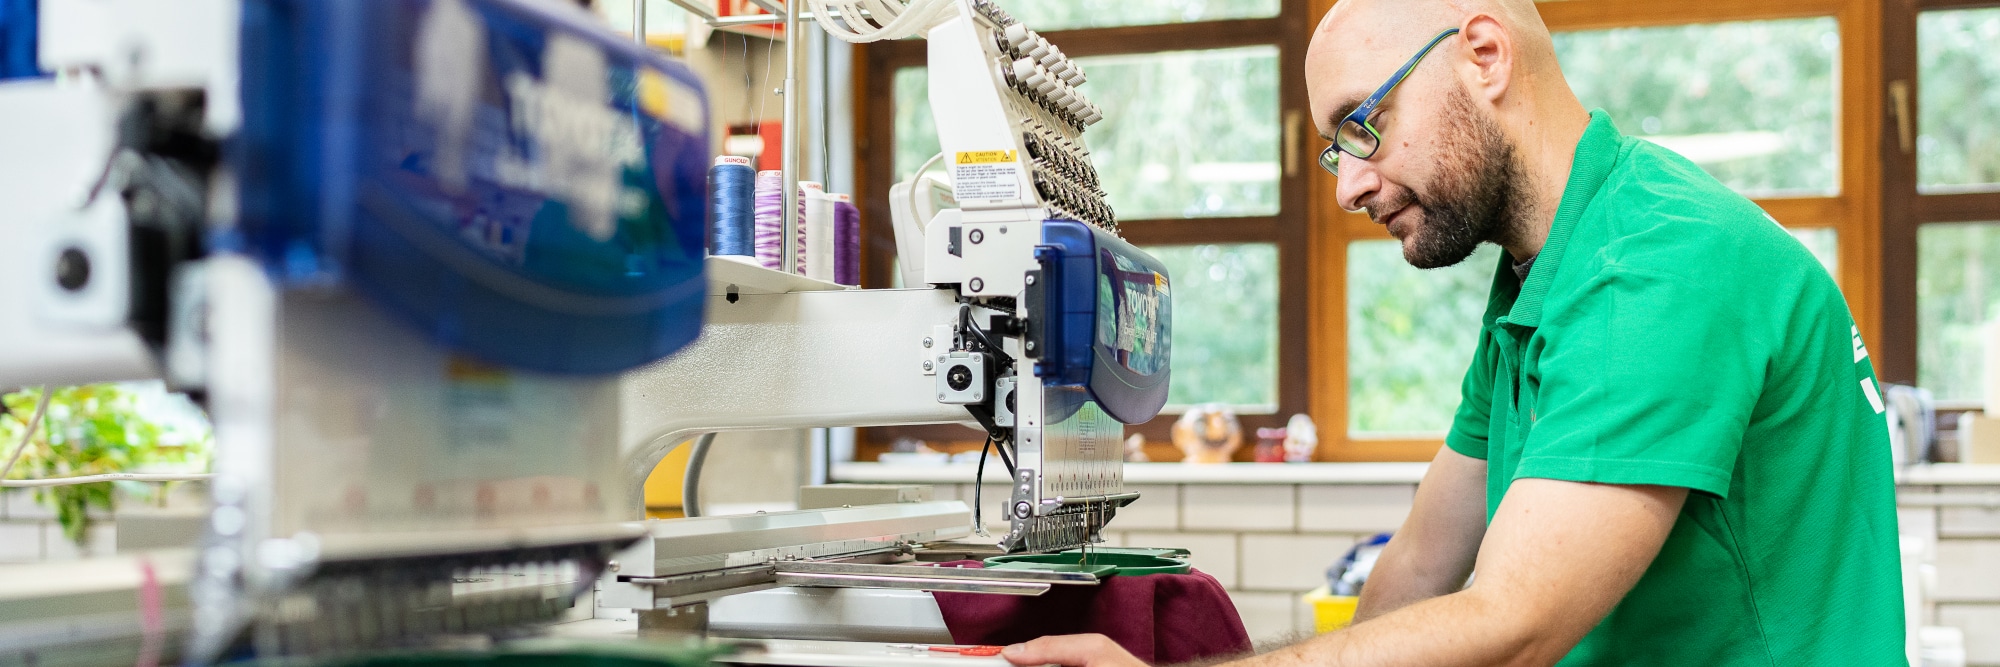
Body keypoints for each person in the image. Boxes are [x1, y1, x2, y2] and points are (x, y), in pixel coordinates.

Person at [1002, 0, 1905, 664]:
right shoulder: (1543, 273)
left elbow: (1513, 622)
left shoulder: (1657, 262)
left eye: (1364, 124)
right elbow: (1422, 567)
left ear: (1483, 55)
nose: (1349, 186)